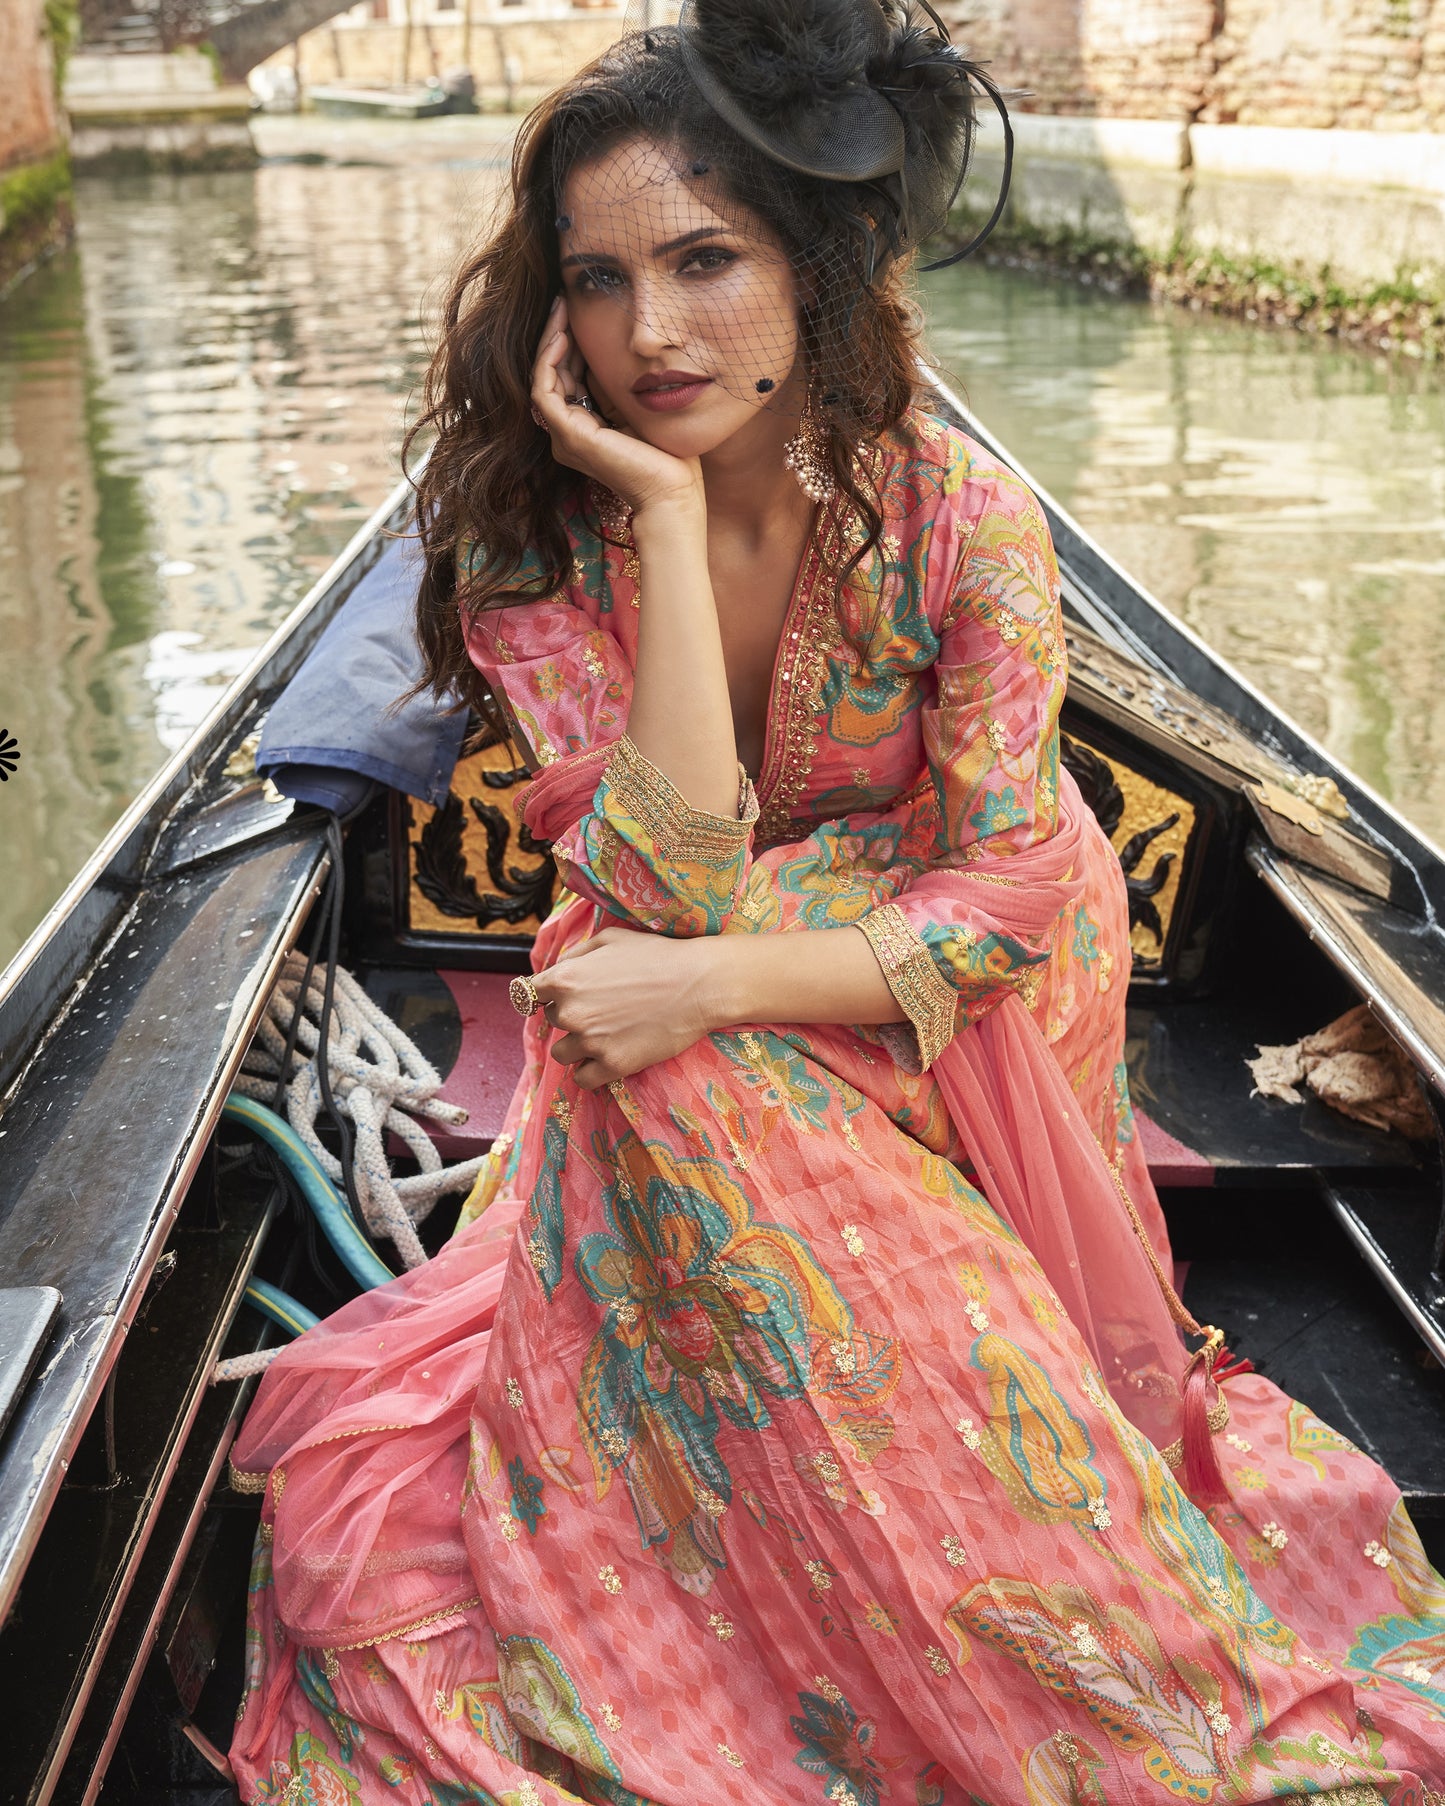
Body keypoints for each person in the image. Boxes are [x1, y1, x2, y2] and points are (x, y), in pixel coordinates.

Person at [228, 1, 1445, 1799]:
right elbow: (660, 879)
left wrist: (716, 990)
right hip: (688, 932)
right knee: (660, 1033)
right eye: (598, 278)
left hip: (959, 976)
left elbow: (1021, 879)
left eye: (705, 259)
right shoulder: (527, 533)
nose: (650, 331)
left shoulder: (953, 512)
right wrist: (650, 511)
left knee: (671, 1048)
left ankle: (1053, 1663)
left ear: (811, 263)